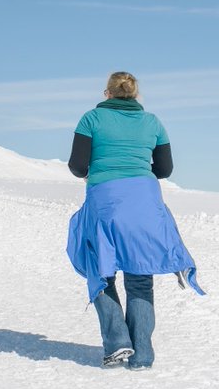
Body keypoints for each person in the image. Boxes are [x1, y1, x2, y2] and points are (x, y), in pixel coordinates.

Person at [66, 71, 204, 371]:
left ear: (108, 93)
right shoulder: (153, 122)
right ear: (135, 94)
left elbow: (77, 166)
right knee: (140, 277)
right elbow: (165, 168)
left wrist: (98, 171)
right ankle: (142, 355)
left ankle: (117, 342)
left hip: (106, 201)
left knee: (100, 271)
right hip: (145, 201)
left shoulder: (91, 119)